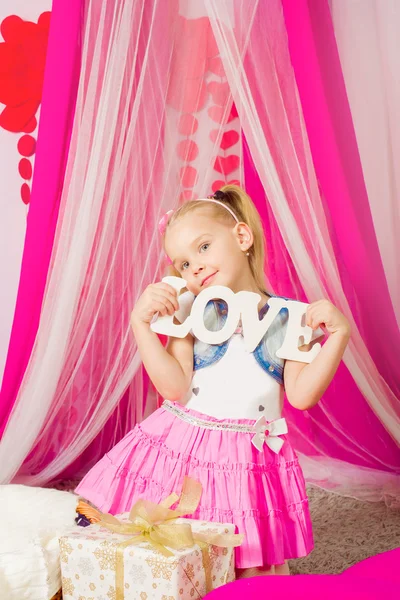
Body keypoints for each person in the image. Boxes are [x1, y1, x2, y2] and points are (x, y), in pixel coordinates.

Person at [75, 185, 351, 577]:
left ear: (242, 237)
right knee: (167, 548)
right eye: (183, 264)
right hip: (187, 445)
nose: (195, 267)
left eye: (203, 248)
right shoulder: (191, 313)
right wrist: (140, 325)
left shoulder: (287, 317)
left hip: (246, 455)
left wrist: (338, 337)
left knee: (243, 561)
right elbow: (173, 388)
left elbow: (303, 395)